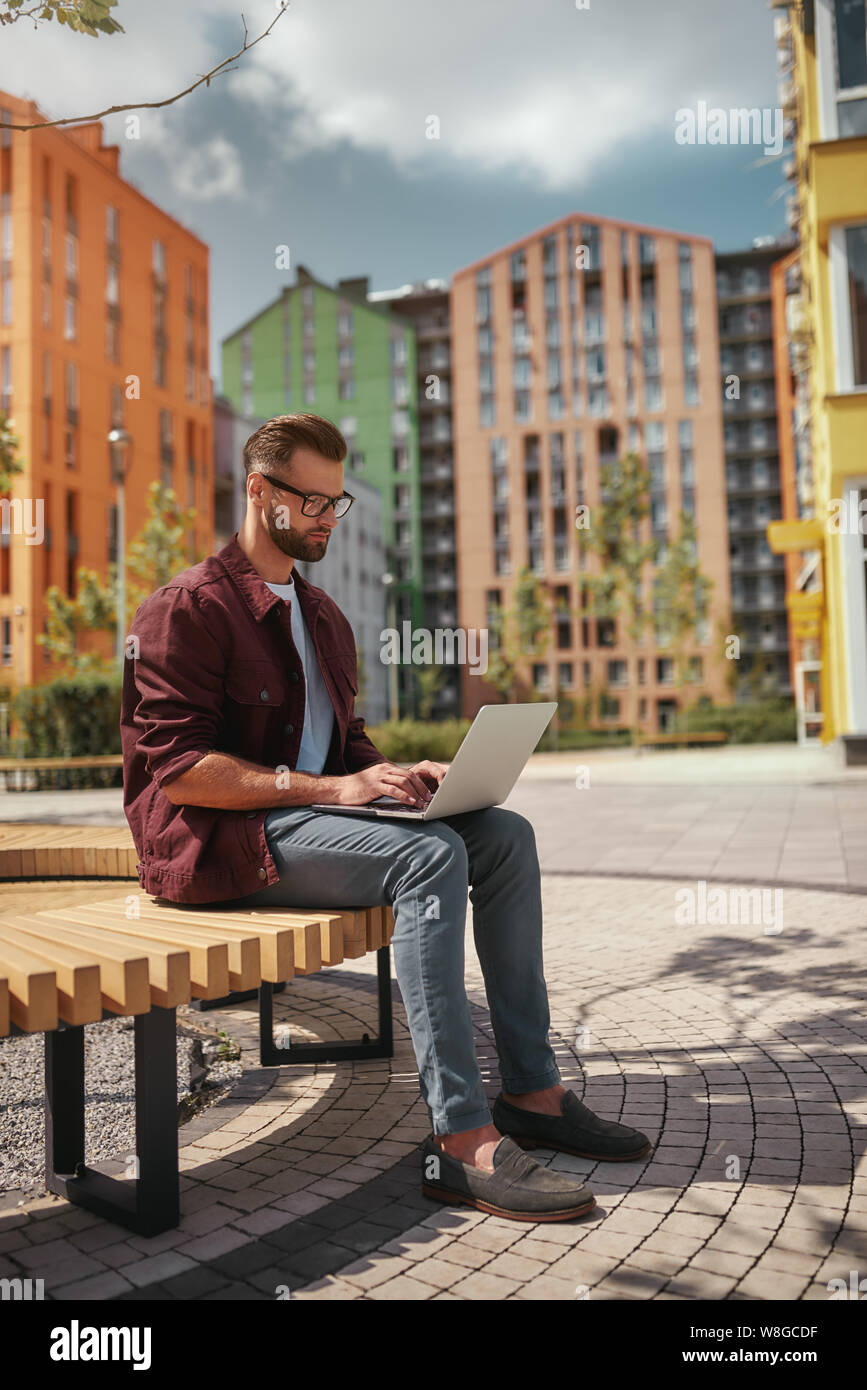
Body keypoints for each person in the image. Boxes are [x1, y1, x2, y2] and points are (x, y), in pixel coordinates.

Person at [121, 413, 652, 1223]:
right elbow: (183, 773)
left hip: (305, 822)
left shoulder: (323, 617)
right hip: (220, 844)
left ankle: (533, 1094)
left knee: (503, 836)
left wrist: (399, 778)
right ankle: (459, 1137)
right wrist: (334, 790)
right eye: (312, 503)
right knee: (429, 857)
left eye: (337, 504)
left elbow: (346, 742)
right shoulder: (186, 610)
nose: (328, 519)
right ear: (259, 492)